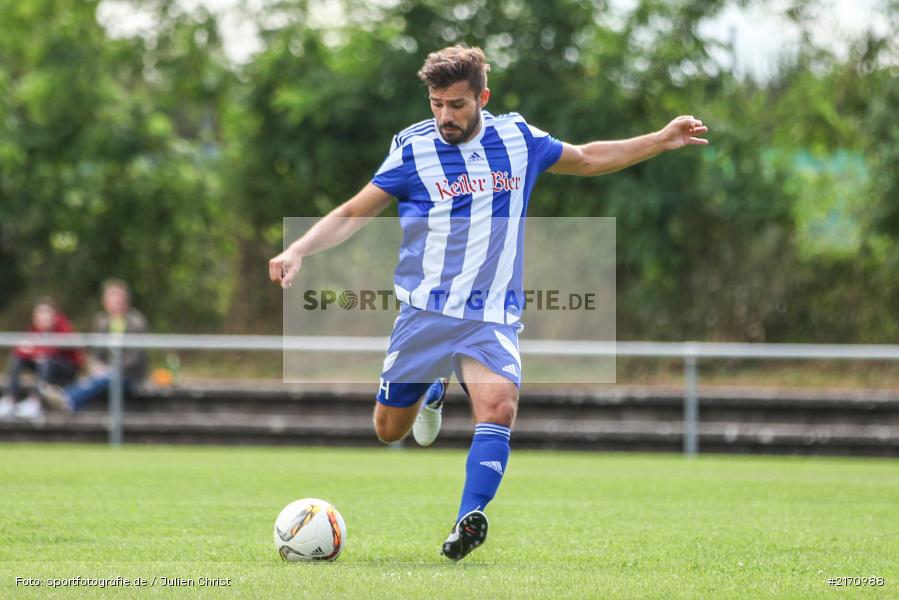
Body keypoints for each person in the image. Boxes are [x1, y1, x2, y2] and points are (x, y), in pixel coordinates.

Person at [268, 45, 708, 561]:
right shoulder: (414, 151)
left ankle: (465, 522)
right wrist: (299, 246)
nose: (444, 116)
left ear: (483, 97)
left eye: (456, 104)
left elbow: (588, 158)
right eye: (436, 104)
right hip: (425, 313)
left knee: (499, 405)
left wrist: (659, 140)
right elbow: (354, 211)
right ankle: (433, 388)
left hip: (491, 314)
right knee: (389, 430)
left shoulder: (518, 139)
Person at [39, 280, 148, 412]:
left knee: (104, 379)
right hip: (104, 375)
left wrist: (113, 369)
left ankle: (68, 399)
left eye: (118, 299)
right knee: (95, 379)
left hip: (129, 375)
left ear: (126, 301)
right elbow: (94, 353)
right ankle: (65, 397)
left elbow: (136, 356)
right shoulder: (101, 321)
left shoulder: (137, 322)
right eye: (111, 299)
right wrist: (95, 367)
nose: (115, 303)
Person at [0, 297, 84, 421]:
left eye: (47, 312)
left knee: (46, 360)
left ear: (54, 315)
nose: (44, 316)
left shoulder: (64, 326)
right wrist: (28, 350)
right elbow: (21, 349)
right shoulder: (35, 329)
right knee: (17, 359)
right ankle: (10, 400)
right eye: (40, 313)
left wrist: (34, 351)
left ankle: (35, 402)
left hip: (67, 368)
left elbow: (55, 350)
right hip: (44, 365)